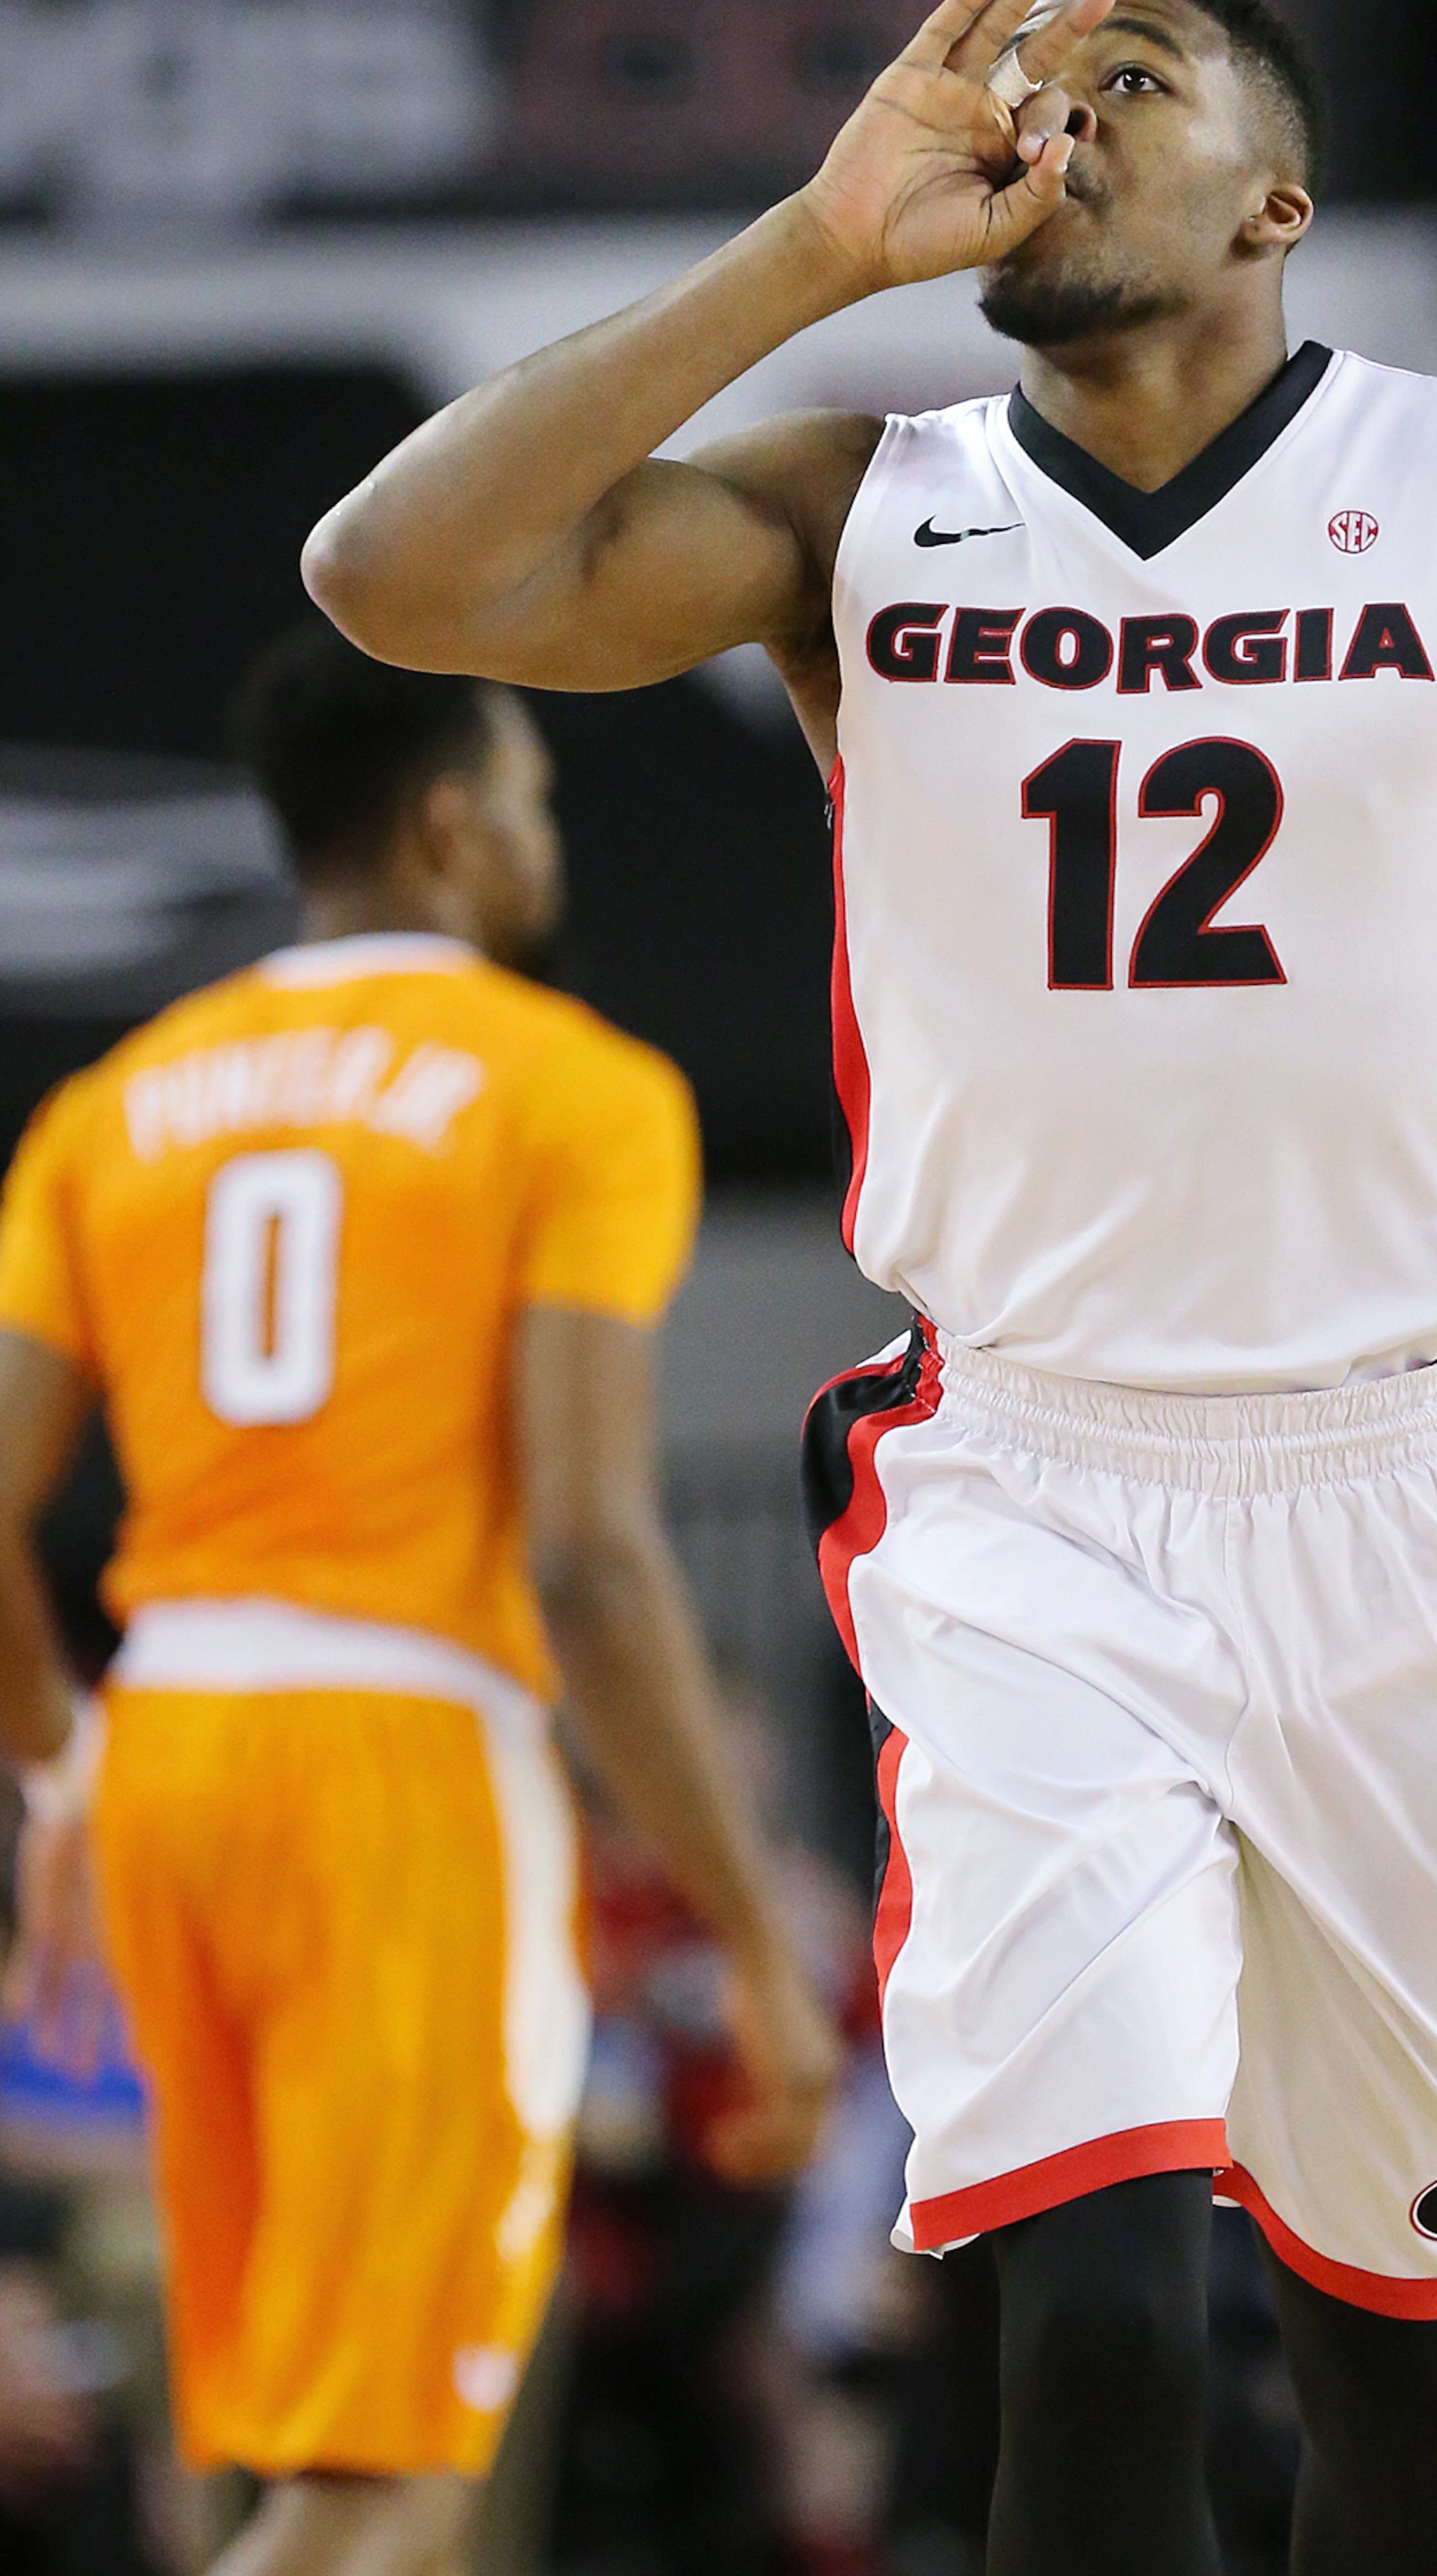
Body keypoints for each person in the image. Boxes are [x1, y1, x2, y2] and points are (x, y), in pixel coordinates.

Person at [296, 0, 1437, 2576]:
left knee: (1399, 2374)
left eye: (1129, 76)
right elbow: (390, 577)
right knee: (1080, 2326)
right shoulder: (858, 500)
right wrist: (798, 247)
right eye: (1025, 81)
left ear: (1275, 199)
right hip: (1025, 1491)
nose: (1054, 120)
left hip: (1391, 1482)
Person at [0, 630, 840, 2576]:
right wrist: (754, 1937)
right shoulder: (574, 1091)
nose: (551, 840)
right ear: (457, 827)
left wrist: (60, 1769)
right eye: (539, 804)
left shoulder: (115, 1104)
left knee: (305, 2465)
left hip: (176, 1765)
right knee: (393, 2491)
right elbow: (588, 1552)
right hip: (402, 1766)